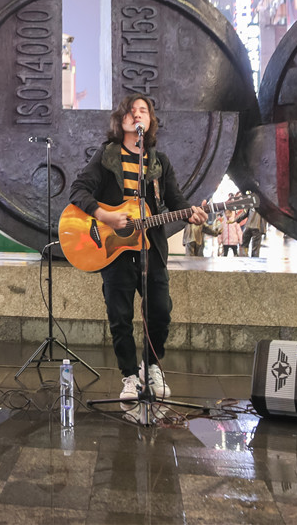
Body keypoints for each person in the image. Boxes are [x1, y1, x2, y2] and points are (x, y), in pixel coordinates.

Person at [68, 93, 207, 401]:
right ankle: (130, 376)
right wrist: (105, 215)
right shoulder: (107, 156)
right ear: (121, 120)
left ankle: (152, 367)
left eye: (143, 111)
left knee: (160, 310)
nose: (138, 115)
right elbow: (78, 191)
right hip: (113, 251)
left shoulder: (158, 162)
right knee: (119, 315)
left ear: (150, 121)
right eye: (131, 111)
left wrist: (192, 213)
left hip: (151, 249)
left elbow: (176, 202)